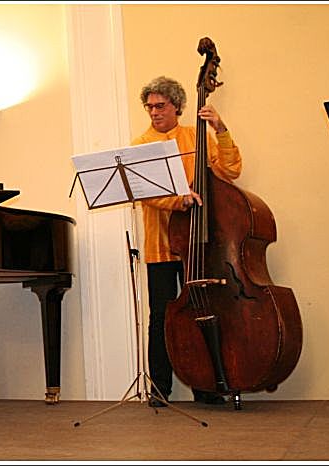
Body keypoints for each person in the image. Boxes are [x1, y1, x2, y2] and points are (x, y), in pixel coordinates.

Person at [132, 76, 242, 407]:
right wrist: (178, 200)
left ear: (178, 107)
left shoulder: (195, 136)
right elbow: (146, 193)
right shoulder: (140, 146)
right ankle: (160, 388)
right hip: (161, 246)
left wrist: (221, 129)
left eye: (160, 106)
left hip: (199, 245)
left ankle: (205, 387)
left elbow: (231, 171)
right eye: (149, 106)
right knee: (161, 318)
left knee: (200, 312)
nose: (153, 112)